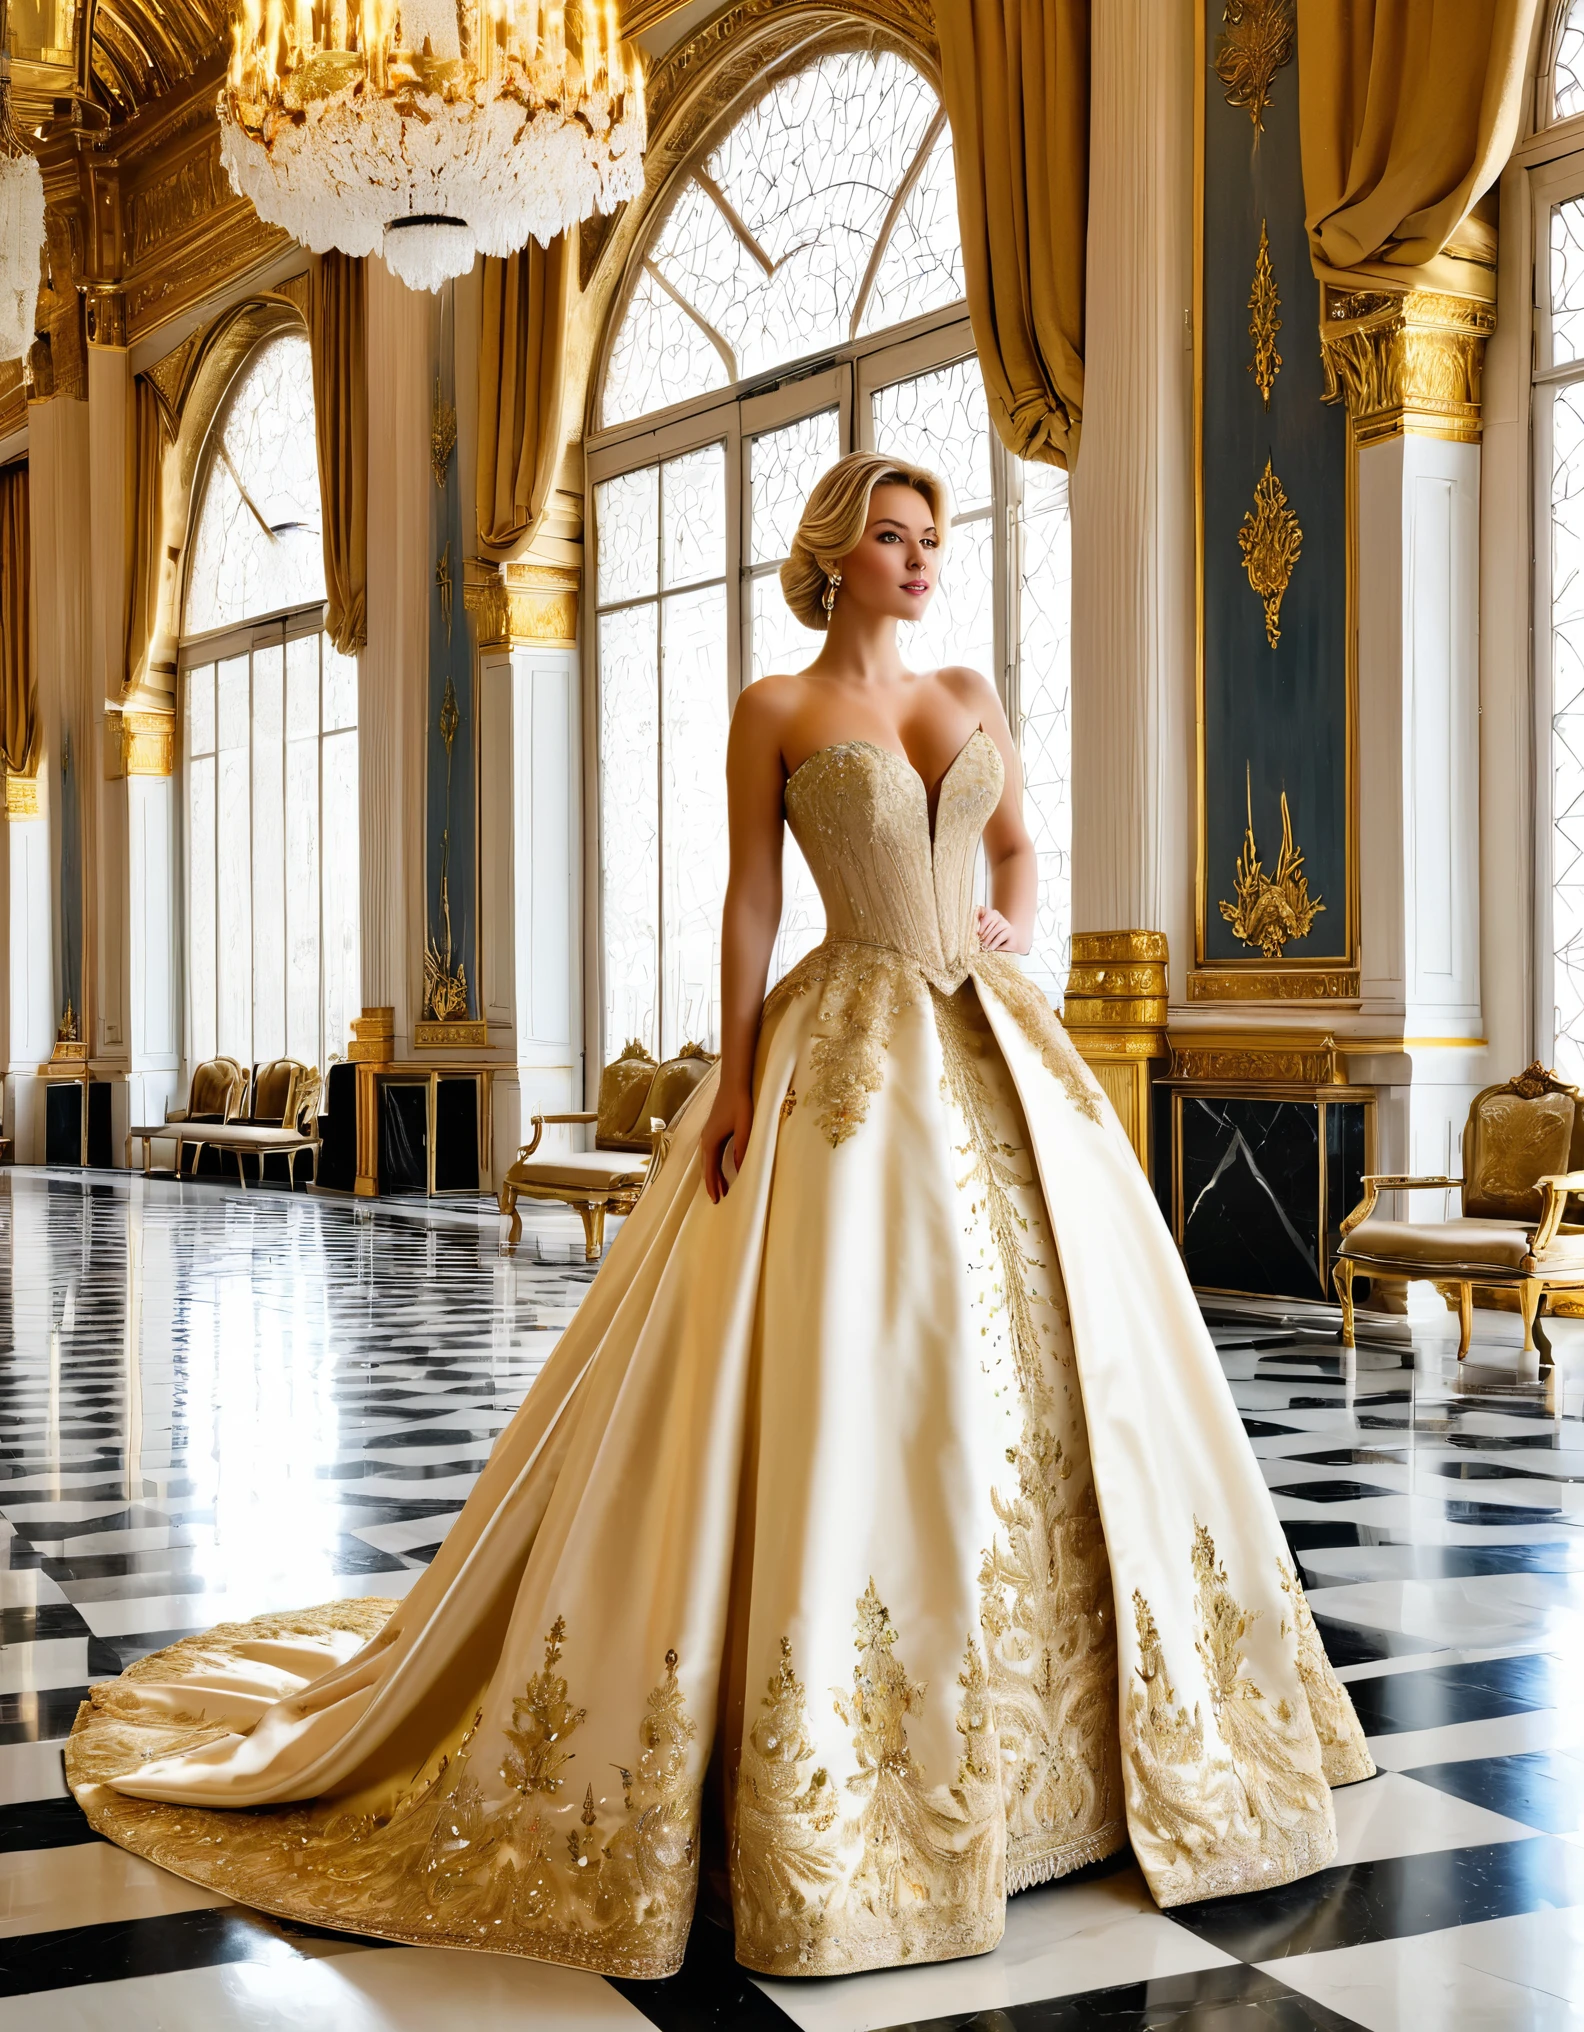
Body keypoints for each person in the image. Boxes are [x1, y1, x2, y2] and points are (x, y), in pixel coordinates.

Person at [67, 452, 1371, 1984]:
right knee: (851, 1369)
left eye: (932, 538)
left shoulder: (968, 692)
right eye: (890, 537)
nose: (918, 559)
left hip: (993, 1044)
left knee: (1068, 1368)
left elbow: (1015, 842)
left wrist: (1016, 919)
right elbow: (756, 902)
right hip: (845, 1056)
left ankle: (1078, 1755)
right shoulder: (780, 711)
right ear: (835, 555)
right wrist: (738, 1076)